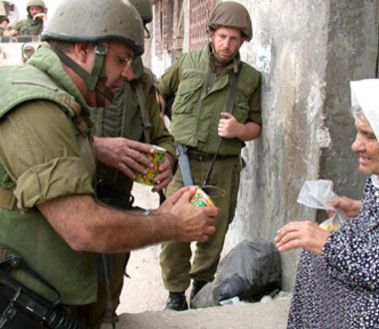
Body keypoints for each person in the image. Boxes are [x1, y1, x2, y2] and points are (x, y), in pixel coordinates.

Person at [0, 0, 217, 328]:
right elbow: (83, 228)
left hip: (53, 286)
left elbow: (159, 135)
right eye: (120, 60)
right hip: (27, 300)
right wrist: (171, 223)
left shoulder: (62, 98)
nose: (127, 73)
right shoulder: (39, 106)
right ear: (83, 50)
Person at [275, 79, 379, 328]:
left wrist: (332, 246)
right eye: (358, 132)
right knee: (314, 260)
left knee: (375, 311)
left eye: (369, 136)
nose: (355, 145)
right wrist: (359, 208)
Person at [158, 1, 262, 311]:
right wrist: (159, 137)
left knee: (212, 232)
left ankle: (200, 288)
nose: (226, 44)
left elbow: (257, 126)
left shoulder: (250, 79)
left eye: (234, 38)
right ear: (211, 34)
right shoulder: (186, 64)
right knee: (173, 229)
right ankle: (175, 293)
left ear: (243, 41)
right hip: (183, 165)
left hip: (223, 167)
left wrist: (239, 129)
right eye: (221, 36)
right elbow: (156, 94)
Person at [89, 0, 176, 322]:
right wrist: (96, 146)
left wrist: (166, 159)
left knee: (108, 298)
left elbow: (162, 137)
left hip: (117, 204)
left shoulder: (144, 83)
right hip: (72, 200)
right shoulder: (74, 77)